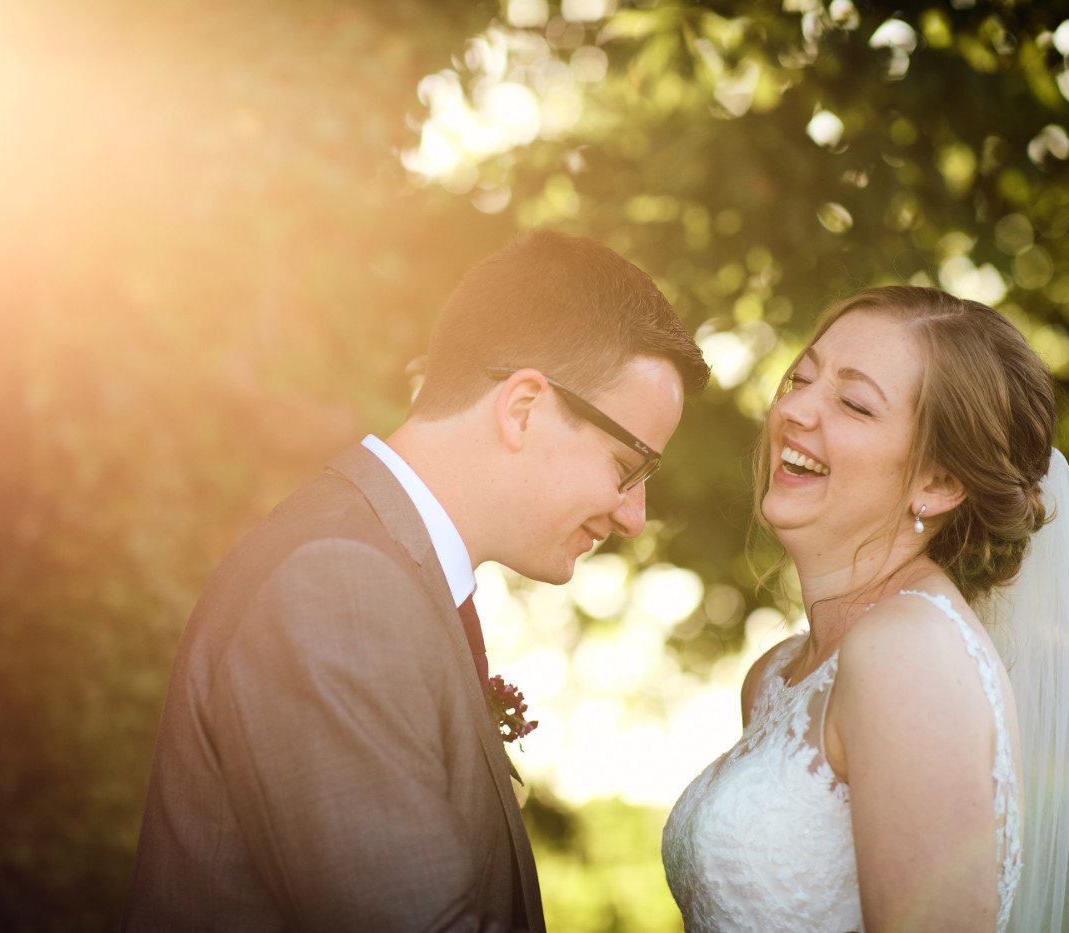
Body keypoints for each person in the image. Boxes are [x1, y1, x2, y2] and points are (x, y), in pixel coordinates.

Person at [125, 229, 710, 931]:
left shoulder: (385, 575)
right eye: (627, 467)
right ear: (523, 407)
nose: (634, 517)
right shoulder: (338, 586)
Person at [662, 286, 1069, 931]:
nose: (796, 408)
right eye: (800, 378)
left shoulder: (909, 652)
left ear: (938, 483)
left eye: (854, 403)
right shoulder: (776, 676)